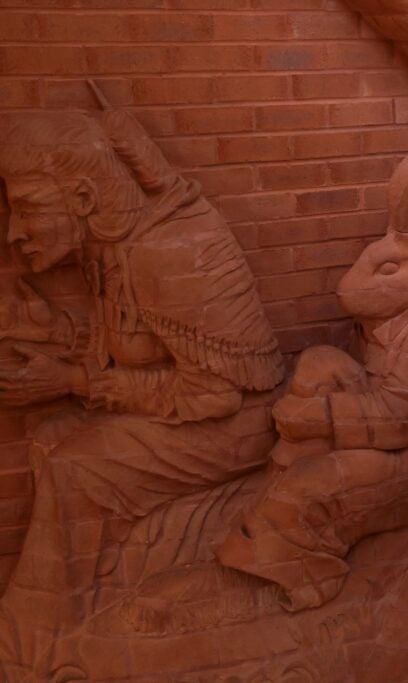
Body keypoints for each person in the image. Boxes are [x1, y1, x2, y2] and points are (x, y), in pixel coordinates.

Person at [0, 110, 284, 675]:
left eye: (29, 207)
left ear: (81, 196)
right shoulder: (114, 244)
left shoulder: (168, 251)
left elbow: (214, 396)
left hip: (236, 424)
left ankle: (34, 649)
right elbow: (140, 346)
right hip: (198, 410)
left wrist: (76, 382)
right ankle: (79, 616)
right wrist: (53, 334)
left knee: (75, 469)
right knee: (54, 438)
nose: (15, 230)